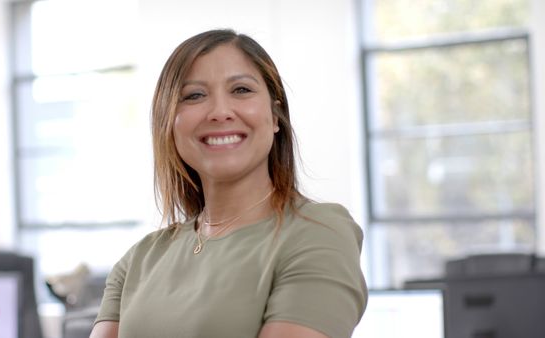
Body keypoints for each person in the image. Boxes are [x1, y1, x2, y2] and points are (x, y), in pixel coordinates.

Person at [89, 29, 367, 338]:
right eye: (194, 95)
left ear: (275, 116)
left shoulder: (319, 232)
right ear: (168, 123)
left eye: (241, 90)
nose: (220, 112)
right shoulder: (138, 261)